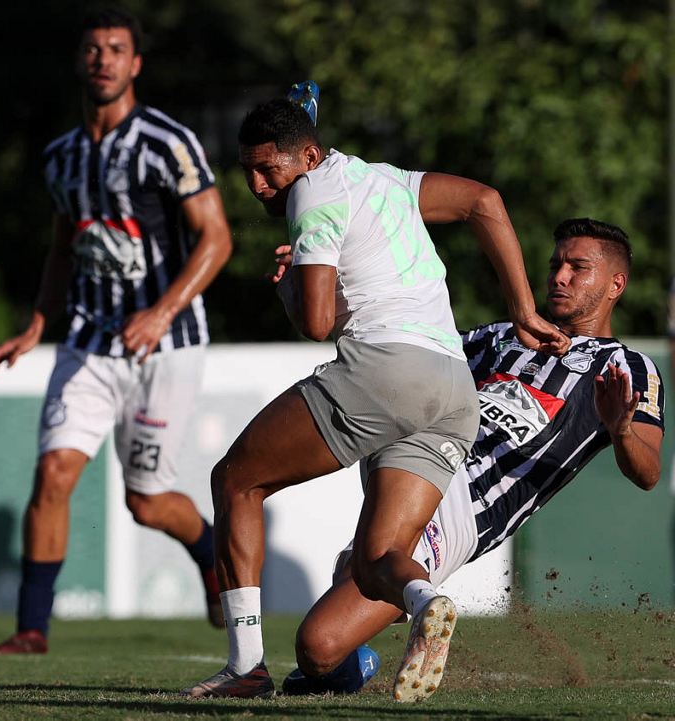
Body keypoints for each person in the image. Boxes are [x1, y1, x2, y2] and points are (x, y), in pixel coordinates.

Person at [184, 97, 568, 702]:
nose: (258, 185)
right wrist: (523, 309)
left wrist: (290, 286)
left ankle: (246, 667)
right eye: (247, 171)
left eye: (269, 169)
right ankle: (425, 600)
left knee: (235, 480)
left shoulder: (311, 192)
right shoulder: (384, 177)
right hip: (453, 389)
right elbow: (484, 201)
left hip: (387, 371)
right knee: (377, 558)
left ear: (309, 157)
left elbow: (316, 323)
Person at [280, 217, 664, 696]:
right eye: (555, 265)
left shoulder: (627, 367)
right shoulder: (501, 336)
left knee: (318, 644)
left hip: (465, 504)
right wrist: (312, 289)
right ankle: (348, 666)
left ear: (615, 284)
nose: (559, 277)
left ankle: (362, 648)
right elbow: (401, 352)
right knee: (351, 576)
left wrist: (622, 430)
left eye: (577, 267)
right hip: (416, 460)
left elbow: (648, 472)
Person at [0, 6, 233, 654]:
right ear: (80, 60)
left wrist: (162, 310)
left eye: (116, 49)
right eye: (93, 49)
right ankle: (32, 628)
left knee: (146, 502)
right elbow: (63, 248)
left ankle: (210, 554)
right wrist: (37, 324)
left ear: (135, 63)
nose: (103, 59)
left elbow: (217, 237)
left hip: (166, 346)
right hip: (88, 342)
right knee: (53, 473)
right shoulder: (61, 157)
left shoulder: (166, 142)